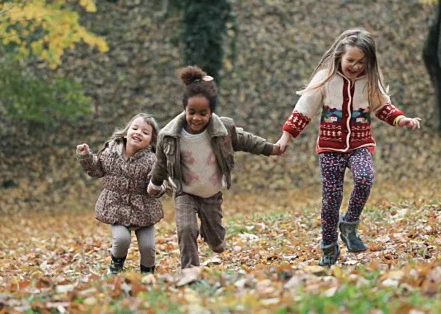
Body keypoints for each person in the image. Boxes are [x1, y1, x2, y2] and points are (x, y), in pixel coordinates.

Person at [276, 28, 421, 266]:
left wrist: (401, 119)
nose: (355, 66)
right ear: (340, 58)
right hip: (330, 147)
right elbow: (303, 110)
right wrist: (285, 137)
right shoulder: (325, 79)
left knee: (365, 178)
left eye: (361, 62)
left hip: (360, 144)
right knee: (331, 200)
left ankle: (350, 224)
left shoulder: (370, 81)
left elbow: (383, 106)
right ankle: (329, 247)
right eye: (350, 61)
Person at [147, 66, 285, 269]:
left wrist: (269, 148)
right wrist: (155, 183)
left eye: (203, 113)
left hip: (211, 193)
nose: (196, 118)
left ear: (211, 112)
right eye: (191, 112)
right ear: (184, 108)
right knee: (185, 228)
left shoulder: (223, 130)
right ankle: (190, 270)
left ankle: (212, 234)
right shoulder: (169, 136)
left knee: (217, 244)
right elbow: (161, 163)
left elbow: (245, 140)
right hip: (185, 191)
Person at [76, 113, 167, 274]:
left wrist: (156, 187)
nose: (138, 133)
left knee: (148, 246)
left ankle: (147, 274)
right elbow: (97, 169)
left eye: (145, 132)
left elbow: (157, 180)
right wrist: (86, 157)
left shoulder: (152, 160)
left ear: (151, 141)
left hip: (144, 209)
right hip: (115, 206)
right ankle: (116, 268)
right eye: (135, 128)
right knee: (121, 239)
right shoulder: (111, 151)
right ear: (126, 131)